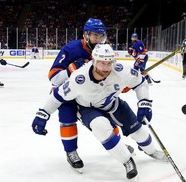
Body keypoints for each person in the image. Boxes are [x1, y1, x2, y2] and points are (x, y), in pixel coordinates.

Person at [32, 44, 168, 181]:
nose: (106, 68)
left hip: (113, 105)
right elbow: (58, 96)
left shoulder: (121, 70)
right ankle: (127, 161)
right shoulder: (79, 79)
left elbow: (140, 83)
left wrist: (144, 102)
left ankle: (151, 151)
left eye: (109, 63)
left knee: (140, 134)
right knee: (100, 126)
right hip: (88, 109)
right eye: (102, 63)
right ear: (94, 61)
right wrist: (43, 114)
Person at [47, 18, 133, 173]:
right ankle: (71, 151)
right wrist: (70, 69)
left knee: (105, 117)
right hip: (69, 92)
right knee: (67, 117)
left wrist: (123, 84)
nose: (99, 39)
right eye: (95, 35)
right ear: (86, 34)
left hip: (91, 92)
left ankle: (118, 145)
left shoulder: (104, 49)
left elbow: (111, 72)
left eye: (101, 36)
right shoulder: (71, 49)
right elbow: (53, 78)